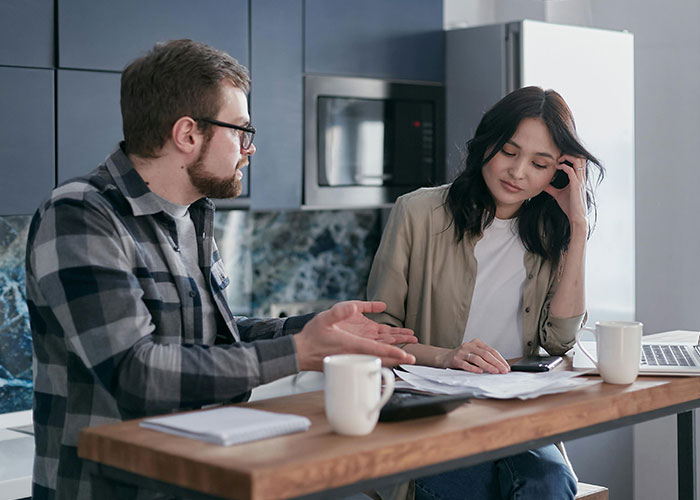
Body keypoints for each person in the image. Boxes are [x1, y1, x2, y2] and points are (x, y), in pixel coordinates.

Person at [26, 39, 417, 500]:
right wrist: (298, 352)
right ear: (188, 134)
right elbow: (136, 373)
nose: (248, 149)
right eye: (240, 131)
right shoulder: (81, 214)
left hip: (200, 477)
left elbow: (213, 339)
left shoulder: (193, 213)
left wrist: (312, 329)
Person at [367, 86, 604, 500]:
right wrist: (446, 356)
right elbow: (376, 335)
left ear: (558, 173)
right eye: (509, 152)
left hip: (520, 416)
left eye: (539, 163)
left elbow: (559, 340)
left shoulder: (552, 231)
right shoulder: (418, 213)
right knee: (464, 486)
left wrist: (578, 230)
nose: (518, 172)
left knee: (550, 484)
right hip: (437, 416)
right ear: (486, 144)